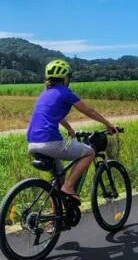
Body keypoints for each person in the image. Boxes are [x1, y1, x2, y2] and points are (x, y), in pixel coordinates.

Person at [25, 59, 118, 204]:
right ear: (66, 78)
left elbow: (55, 116)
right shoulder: (65, 92)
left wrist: (69, 129)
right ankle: (69, 187)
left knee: (58, 178)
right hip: (50, 142)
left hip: (32, 143)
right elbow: (89, 111)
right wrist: (108, 124)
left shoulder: (45, 94)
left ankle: (55, 218)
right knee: (89, 152)